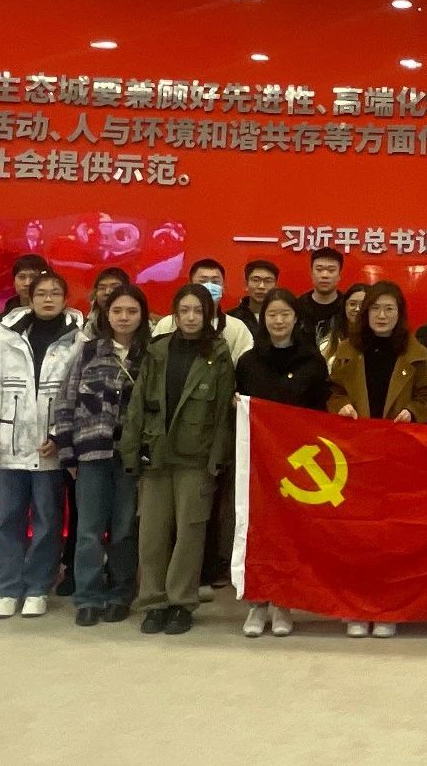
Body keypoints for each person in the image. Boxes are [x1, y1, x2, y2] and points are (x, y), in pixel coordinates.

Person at [120, 284, 236, 636]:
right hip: (155, 454)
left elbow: (223, 414)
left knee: (190, 534)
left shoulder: (218, 354)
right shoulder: (157, 350)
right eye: (184, 310)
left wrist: (217, 460)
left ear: (208, 315)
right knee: (151, 534)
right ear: (175, 314)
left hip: (196, 458)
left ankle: (181, 603)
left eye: (198, 311)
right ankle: (153, 601)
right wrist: (130, 451)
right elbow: (137, 406)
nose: (190, 317)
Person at [0, 272, 84, 618]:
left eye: (55, 293)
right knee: (8, 519)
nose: (48, 299)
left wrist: (61, 436)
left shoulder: (78, 339)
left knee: (48, 520)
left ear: (65, 299)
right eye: (41, 294)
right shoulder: (6, 337)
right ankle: (8, 587)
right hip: (9, 446)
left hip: (49, 448)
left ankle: (37, 586)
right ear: (30, 298)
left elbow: (76, 394)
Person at [328, 280, 427, 637]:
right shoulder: (347, 350)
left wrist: (413, 411)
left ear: (400, 314)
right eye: (375, 308)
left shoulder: (416, 352)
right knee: (356, 536)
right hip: (356, 455)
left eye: (389, 309)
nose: (382, 315)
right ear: (365, 313)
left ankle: (388, 608)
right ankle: (356, 608)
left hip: (397, 456)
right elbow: (332, 391)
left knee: (393, 536)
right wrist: (339, 405)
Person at [152, 259, 253, 596]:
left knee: (207, 510)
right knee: (163, 519)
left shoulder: (235, 330)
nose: (192, 316)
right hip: (166, 437)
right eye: (202, 279)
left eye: (215, 280)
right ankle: (160, 588)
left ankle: (203, 574)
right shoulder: (164, 328)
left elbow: (241, 376)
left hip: (212, 433)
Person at [51, 284, 150, 627]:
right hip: (90, 454)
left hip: (132, 457)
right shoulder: (88, 351)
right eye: (117, 311)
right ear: (106, 315)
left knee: (124, 530)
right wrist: (68, 454)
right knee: (89, 531)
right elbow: (65, 402)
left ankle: (121, 593)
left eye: (132, 311)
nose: (124, 317)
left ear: (142, 316)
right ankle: (88, 596)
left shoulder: (151, 354)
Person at [236, 288, 330, 638]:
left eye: (285, 315)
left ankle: (284, 604)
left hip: (297, 463)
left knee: (290, 534)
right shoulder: (248, 361)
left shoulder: (312, 361)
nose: (278, 321)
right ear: (264, 320)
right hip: (259, 463)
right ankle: (257, 603)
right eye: (272, 315)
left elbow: (321, 411)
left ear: (295, 318)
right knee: (259, 531)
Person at [153, 258, 255, 365]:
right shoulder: (168, 324)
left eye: (215, 282)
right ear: (191, 285)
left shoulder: (237, 328)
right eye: (202, 281)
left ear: (223, 287)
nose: (209, 287)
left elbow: (245, 365)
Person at [298, 247, 344, 345]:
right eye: (319, 270)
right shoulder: (297, 306)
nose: (324, 275)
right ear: (311, 273)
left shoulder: (347, 306)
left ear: (339, 275)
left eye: (331, 270)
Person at [320, 283, 368, 368]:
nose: (357, 309)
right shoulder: (329, 342)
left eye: (362, 305)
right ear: (344, 306)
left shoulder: (375, 341)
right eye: (352, 304)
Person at [227, 259, 280, 334]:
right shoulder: (231, 318)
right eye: (256, 280)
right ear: (246, 285)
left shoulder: (283, 317)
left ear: (275, 286)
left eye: (268, 281)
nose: (261, 286)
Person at [0, 253, 48, 325]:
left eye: (34, 277)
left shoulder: (53, 314)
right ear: (14, 282)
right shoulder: (5, 316)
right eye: (21, 277)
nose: (27, 283)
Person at [81, 266, 131, 341]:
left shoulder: (142, 323)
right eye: (102, 288)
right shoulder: (88, 326)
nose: (107, 292)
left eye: (115, 287)